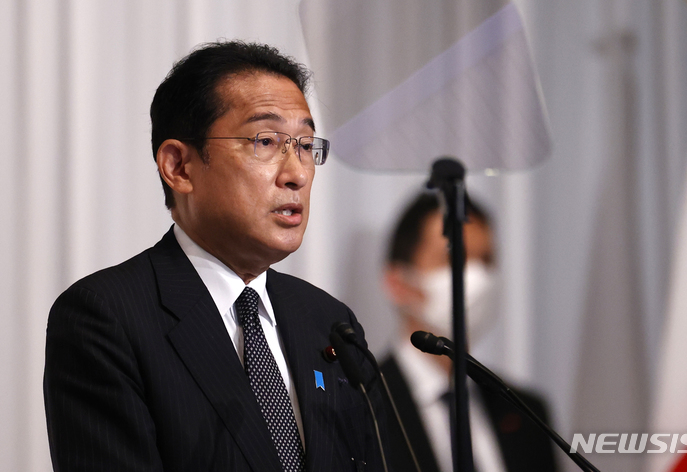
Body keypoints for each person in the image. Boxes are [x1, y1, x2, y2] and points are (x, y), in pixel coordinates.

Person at [44, 41, 384, 472]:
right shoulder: (108, 317)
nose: (297, 173)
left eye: (304, 145)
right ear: (179, 167)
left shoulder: (328, 322)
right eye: (266, 140)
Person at [380, 192, 557, 472]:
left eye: (486, 260)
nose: (476, 278)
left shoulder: (527, 413)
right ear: (397, 283)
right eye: (454, 258)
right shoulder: (360, 405)